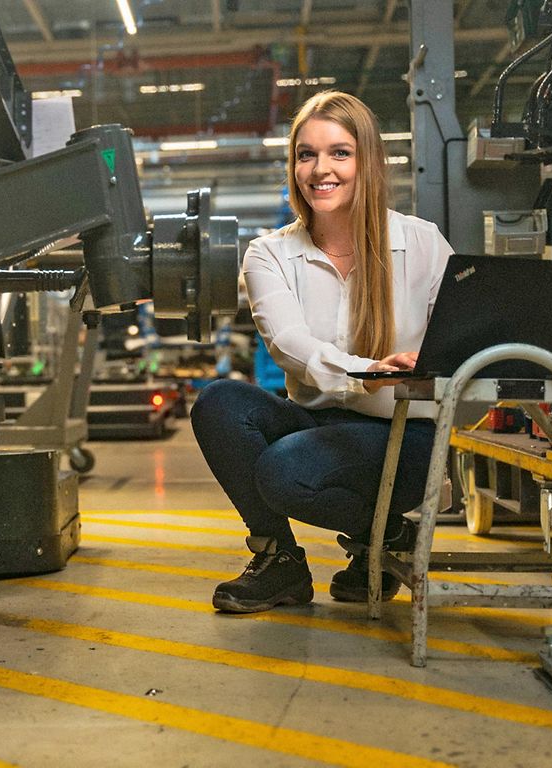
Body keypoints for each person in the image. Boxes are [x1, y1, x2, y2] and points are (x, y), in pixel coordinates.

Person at [190, 91, 454, 613]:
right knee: (219, 402)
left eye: (340, 153)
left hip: (403, 435)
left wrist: (424, 369)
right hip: (317, 422)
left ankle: (379, 539)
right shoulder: (270, 253)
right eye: (306, 154)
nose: (320, 169)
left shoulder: (422, 243)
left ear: (368, 161)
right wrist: (369, 371)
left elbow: (457, 342)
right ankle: (284, 560)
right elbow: (289, 344)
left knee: (283, 470)